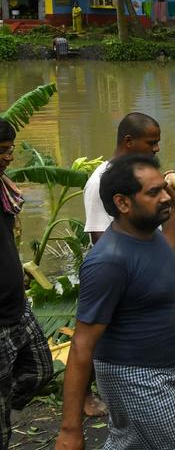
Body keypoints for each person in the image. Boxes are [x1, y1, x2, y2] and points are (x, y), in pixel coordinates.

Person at [55, 155, 175, 450]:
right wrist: (70, 429)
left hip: (169, 369)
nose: (165, 196)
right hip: (139, 377)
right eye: (154, 192)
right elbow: (82, 345)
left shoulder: (150, 237)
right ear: (123, 203)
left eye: (165, 188)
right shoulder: (109, 261)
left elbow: (165, 262)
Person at [1, 118, 53, 450]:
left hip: (17, 306)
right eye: (3, 151)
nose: (9, 157)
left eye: (10, 150)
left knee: (41, 370)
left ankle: (9, 409)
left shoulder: (3, 189)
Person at [83, 112, 175, 245]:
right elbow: (100, 240)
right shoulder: (98, 182)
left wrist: (157, 191)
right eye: (151, 143)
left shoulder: (143, 175)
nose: (157, 149)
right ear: (128, 141)